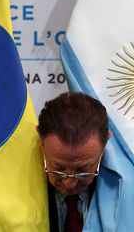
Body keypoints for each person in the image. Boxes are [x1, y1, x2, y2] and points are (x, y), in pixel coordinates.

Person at [37, 92, 111, 232]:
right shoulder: (12, 186)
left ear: (105, 144)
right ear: (40, 142)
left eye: (83, 170)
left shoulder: (130, 191)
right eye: (58, 168)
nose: (69, 183)